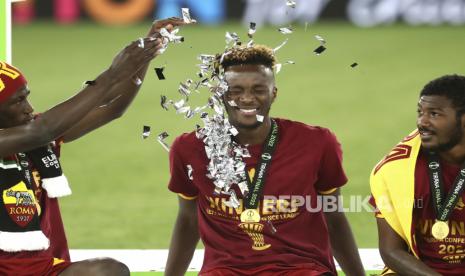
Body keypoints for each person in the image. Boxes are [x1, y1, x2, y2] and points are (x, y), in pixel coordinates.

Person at [0, 17, 185, 276]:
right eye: (18, 102)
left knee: (109, 271)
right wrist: (112, 74)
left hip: (45, 269)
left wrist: (142, 57)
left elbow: (112, 107)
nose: (29, 109)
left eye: (27, 97)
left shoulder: (33, 135)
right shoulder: (37, 132)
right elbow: (44, 130)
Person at [165, 44, 365, 275]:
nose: (247, 98)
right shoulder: (191, 148)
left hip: (300, 269)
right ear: (221, 93)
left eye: (258, 89)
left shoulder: (317, 143)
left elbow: (334, 215)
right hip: (225, 271)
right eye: (235, 90)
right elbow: (188, 219)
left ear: (274, 93)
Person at [370, 75, 465, 275]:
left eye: (434, 114)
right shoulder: (395, 169)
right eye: (420, 112)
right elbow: (391, 250)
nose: (422, 122)